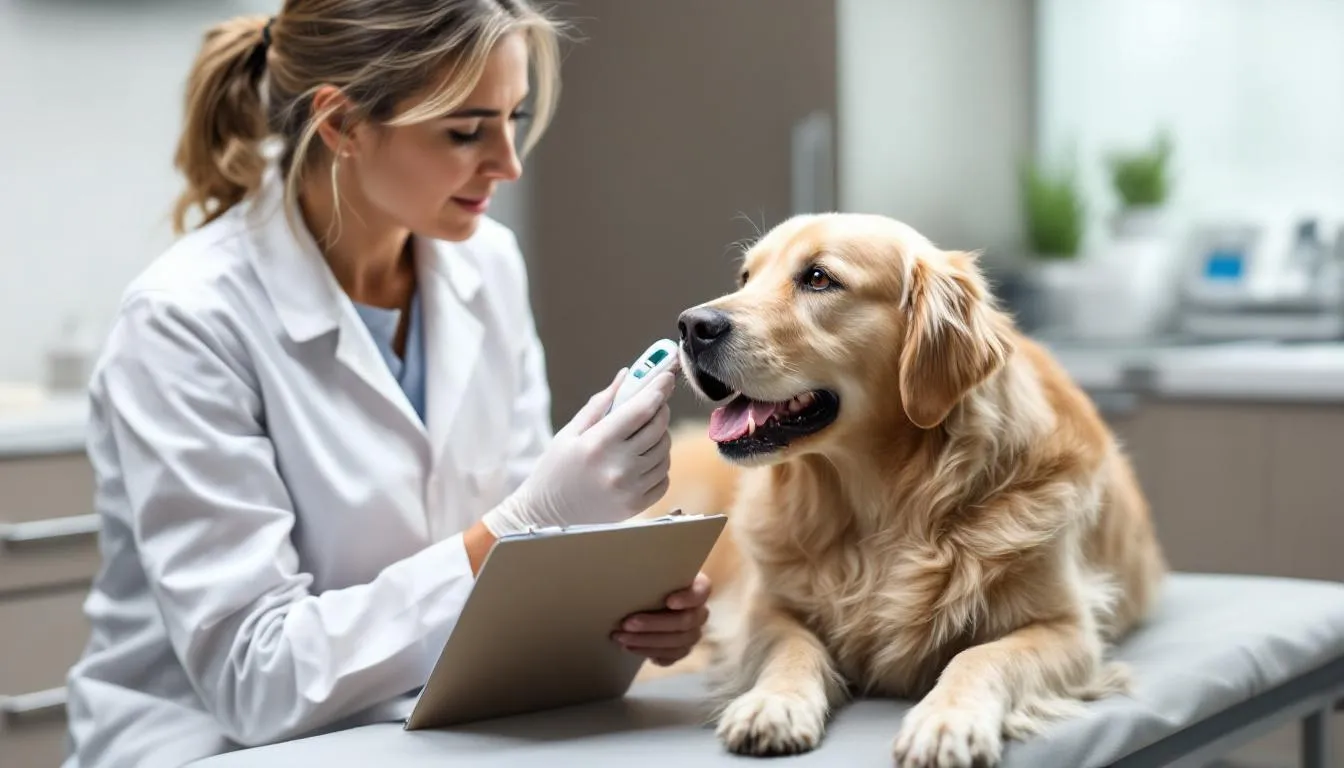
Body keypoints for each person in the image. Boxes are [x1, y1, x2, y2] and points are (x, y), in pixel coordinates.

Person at [62, 3, 710, 766]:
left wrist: (617, 605)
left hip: (417, 728)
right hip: (209, 747)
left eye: (514, 118)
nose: (508, 164)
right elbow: (257, 680)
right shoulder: (184, 320)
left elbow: (503, 596)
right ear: (340, 125)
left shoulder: (486, 266)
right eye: (466, 131)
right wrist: (520, 524)